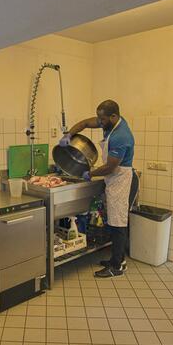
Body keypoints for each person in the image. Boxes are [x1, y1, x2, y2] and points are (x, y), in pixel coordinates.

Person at [60, 100, 138, 278]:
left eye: (102, 120)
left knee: (118, 223)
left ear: (113, 116)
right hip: (112, 177)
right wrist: (69, 135)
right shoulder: (109, 121)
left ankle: (117, 266)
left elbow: (110, 167)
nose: (99, 122)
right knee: (113, 220)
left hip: (120, 178)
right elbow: (85, 123)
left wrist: (90, 173)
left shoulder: (121, 136)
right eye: (99, 118)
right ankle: (116, 259)